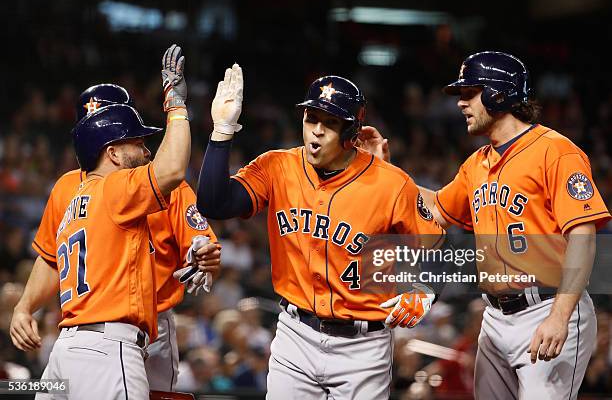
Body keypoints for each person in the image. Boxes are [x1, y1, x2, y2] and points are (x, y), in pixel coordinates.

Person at [196, 71, 445, 398]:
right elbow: (214, 203)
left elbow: (438, 247)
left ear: (351, 132)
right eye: (311, 118)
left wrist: (424, 290)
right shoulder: (277, 167)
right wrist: (222, 131)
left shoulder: (390, 183)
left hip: (363, 346)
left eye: (329, 123)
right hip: (295, 336)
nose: (316, 131)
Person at [413, 51, 610, 399]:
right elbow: (436, 210)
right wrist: (379, 173)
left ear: (498, 93)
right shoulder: (477, 163)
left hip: (547, 307)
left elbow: (583, 237)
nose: (461, 103)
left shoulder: (555, 151)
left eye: (469, 92)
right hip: (494, 317)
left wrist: (559, 316)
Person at [10, 81, 222, 393]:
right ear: (110, 149)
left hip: (79, 338)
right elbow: (173, 168)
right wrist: (177, 105)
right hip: (114, 338)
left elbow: (202, 243)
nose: (145, 149)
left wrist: (203, 254)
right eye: (135, 140)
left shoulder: (85, 191)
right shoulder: (115, 187)